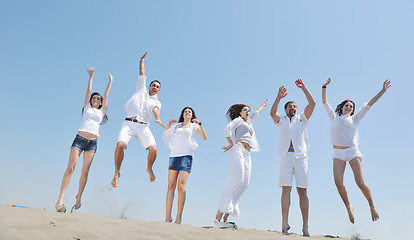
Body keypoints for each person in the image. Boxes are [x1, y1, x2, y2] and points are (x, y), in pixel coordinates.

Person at [322, 78, 391, 223]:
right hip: (338, 153)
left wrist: (383, 91)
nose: (348, 108)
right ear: (341, 108)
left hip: (352, 151)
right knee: (338, 183)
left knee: (359, 182)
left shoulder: (355, 119)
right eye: (346, 106)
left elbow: (370, 104)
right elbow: (325, 103)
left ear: (353, 110)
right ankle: (349, 206)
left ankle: (371, 205)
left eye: (351, 107)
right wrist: (324, 87)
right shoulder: (334, 117)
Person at [55, 67, 113, 212]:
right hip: (79, 140)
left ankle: (79, 197)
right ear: (91, 100)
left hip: (92, 143)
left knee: (85, 172)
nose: (96, 99)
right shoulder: (86, 107)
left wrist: (110, 82)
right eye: (94, 98)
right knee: (70, 168)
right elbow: (88, 91)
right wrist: (91, 76)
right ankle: (60, 199)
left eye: (98, 99)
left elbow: (106, 96)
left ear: (100, 103)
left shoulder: (101, 112)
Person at [111, 52, 165, 188]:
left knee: (154, 150)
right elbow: (142, 72)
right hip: (128, 123)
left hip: (143, 127)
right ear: (149, 86)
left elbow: (156, 110)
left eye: (158, 87)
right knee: (120, 145)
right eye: (153, 85)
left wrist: (158, 119)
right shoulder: (140, 89)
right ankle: (117, 173)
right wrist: (141, 60)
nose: (155, 87)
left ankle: (149, 168)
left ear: (159, 90)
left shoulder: (156, 101)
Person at [270, 79, 315, 236]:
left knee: (302, 191)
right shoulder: (281, 120)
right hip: (285, 158)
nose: (293, 108)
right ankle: (284, 223)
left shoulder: (302, 119)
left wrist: (304, 88)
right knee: (285, 189)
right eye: (290, 106)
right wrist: (278, 97)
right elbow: (272, 113)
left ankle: (305, 226)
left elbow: (313, 104)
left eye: (295, 106)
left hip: (301, 158)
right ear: (286, 109)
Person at [215, 100, 268, 226]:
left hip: (247, 153)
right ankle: (219, 213)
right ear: (240, 112)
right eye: (245, 110)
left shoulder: (249, 122)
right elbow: (226, 130)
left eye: (248, 110)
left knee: (245, 183)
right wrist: (231, 144)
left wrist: (264, 105)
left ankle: (228, 213)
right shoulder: (238, 120)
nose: (247, 112)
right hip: (238, 149)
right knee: (237, 179)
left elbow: (256, 113)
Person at [162, 107, 207, 224]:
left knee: (181, 187)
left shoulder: (194, 126)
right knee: (170, 186)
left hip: (186, 156)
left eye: (189, 112)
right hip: (174, 156)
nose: (187, 113)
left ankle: (178, 217)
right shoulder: (176, 126)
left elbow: (204, 137)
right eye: (185, 111)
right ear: (182, 114)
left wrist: (200, 124)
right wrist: (168, 124)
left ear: (192, 116)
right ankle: (167, 217)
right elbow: (166, 135)